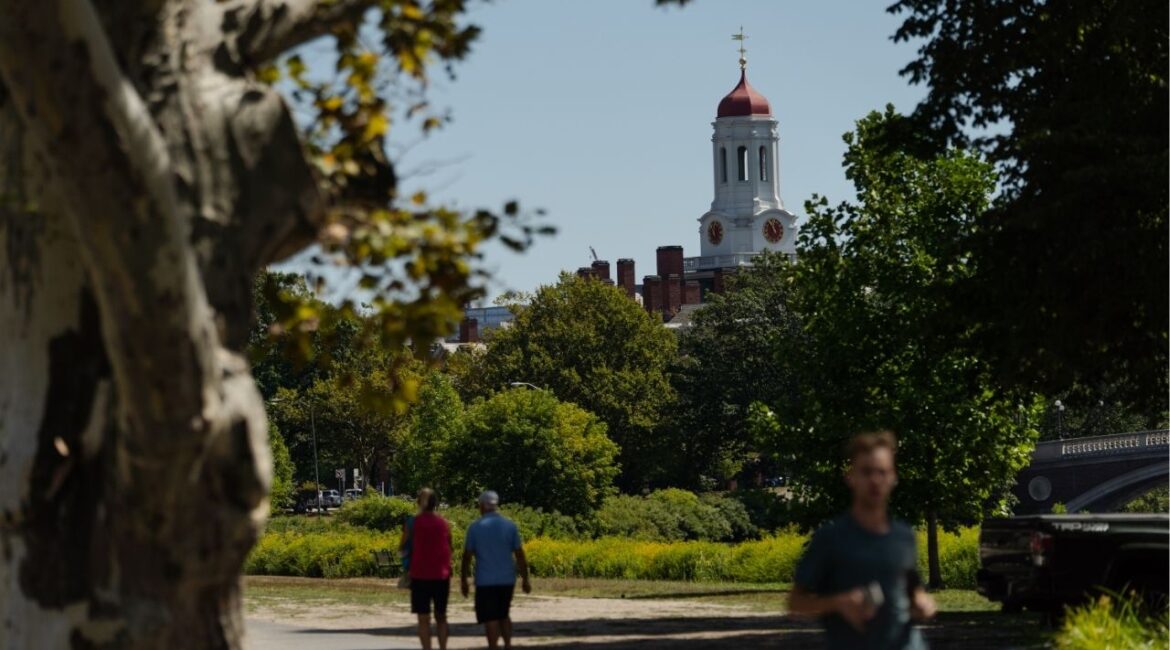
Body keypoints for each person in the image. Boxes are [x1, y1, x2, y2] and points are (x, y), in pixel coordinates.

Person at [788, 430, 937, 649]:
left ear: (893, 477)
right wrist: (838, 602)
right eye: (866, 472)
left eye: (882, 472)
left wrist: (923, 603)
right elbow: (795, 603)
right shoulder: (830, 538)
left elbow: (912, 588)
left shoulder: (904, 536)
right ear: (851, 477)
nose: (875, 480)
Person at [460, 490, 531, 650]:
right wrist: (525, 579)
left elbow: (467, 556)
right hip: (507, 579)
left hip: (485, 580)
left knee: (491, 617)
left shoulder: (475, 527)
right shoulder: (509, 526)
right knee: (503, 614)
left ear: (482, 506)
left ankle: (493, 647)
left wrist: (463, 580)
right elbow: (520, 554)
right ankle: (507, 644)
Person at [407, 488, 452, 650]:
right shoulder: (443, 523)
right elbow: (450, 547)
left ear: (419, 503)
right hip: (441, 575)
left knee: (423, 618)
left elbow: (404, 546)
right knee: (441, 616)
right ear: (435, 504)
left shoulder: (413, 523)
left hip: (420, 575)